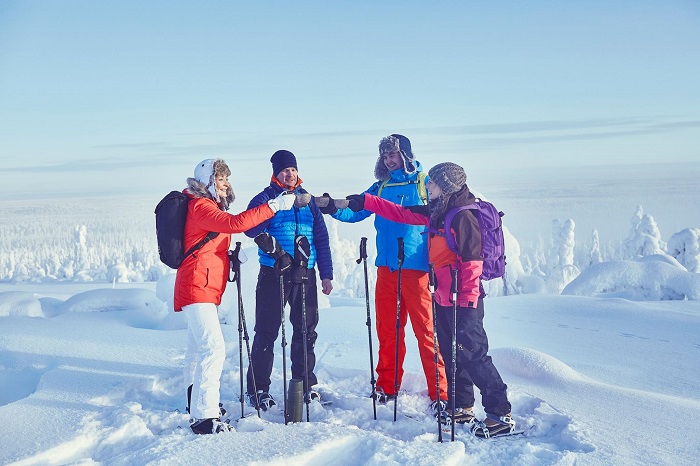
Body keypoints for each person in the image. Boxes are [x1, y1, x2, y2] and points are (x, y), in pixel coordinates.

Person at [344, 162, 515, 437]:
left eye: (432, 184)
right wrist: (368, 201)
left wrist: (467, 299)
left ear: (445, 186)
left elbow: (472, 262)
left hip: (464, 300)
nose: (427, 187)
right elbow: (400, 213)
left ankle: (500, 414)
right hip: (445, 297)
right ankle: (462, 406)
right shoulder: (439, 212)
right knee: (450, 352)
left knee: (474, 355)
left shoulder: (463, 216)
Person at [319, 134, 448, 419]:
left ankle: (440, 393)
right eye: (385, 156)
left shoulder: (424, 183)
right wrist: (331, 207)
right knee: (387, 330)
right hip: (387, 268)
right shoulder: (382, 185)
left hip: (417, 269)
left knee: (427, 332)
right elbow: (357, 209)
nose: (389, 160)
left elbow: (439, 213)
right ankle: (387, 386)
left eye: (393, 155)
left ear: (406, 154)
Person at [174, 158, 296, 435]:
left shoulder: (206, 207)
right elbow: (237, 222)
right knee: (212, 348)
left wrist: (228, 257)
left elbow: (207, 244)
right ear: (207, 182)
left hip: (202, 285)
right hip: (197, 286)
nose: (226, 183)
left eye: (227, 178)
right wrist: (273, 206)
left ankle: (198, 403)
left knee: (197, 350)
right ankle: (204, 417)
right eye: (221, 179)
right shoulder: (200, 206)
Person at [244, 149, 333, 410]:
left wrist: (326, 274)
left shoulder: (309, 202)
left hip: (306, 273)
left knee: (306, 330)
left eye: (293, 169)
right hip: (274, 273)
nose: (290, 174)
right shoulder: (267, 198)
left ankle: (304, 385)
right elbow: (250, 228)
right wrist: (276, 250)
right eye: (285, 170)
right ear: (275, 173)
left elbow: (322, 239)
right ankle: (258, 389)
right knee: (267, 331)